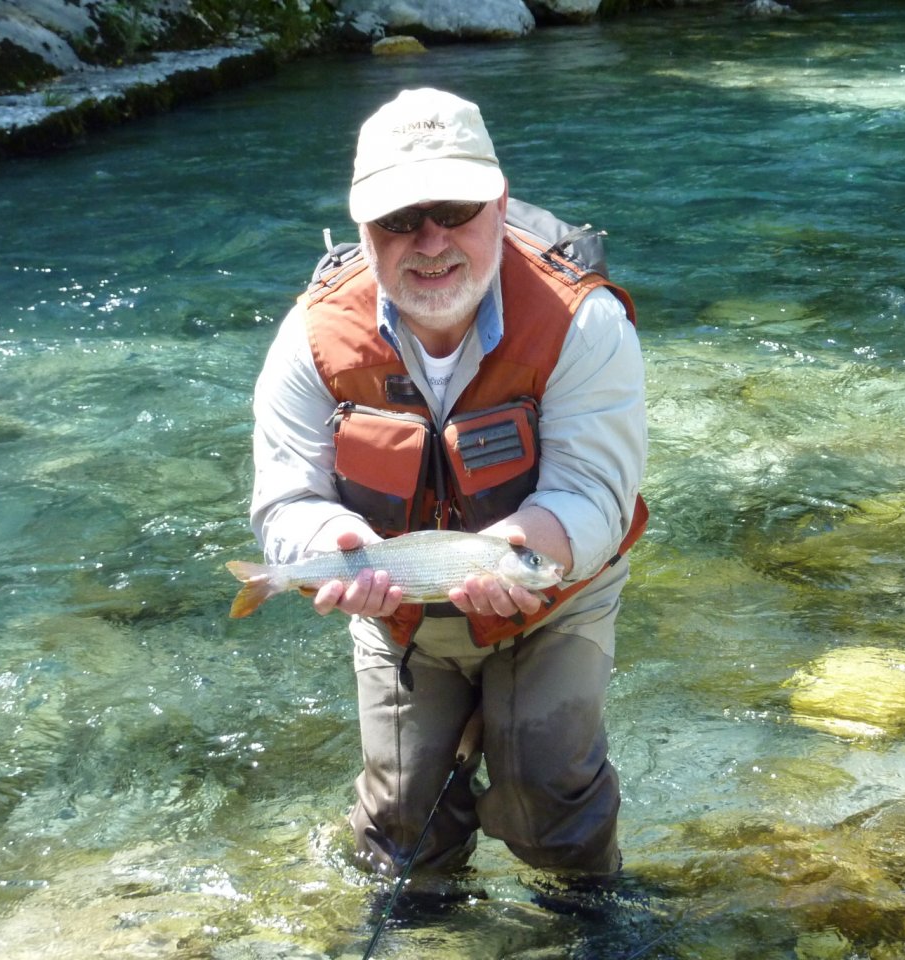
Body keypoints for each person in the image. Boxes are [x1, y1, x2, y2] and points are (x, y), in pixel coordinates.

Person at [249, 87, 648, 878]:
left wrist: (529, 549)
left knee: (552, 796)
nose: (430, 240)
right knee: (404, 822)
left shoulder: (582, 321)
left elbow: (597, 490)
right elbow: (285, 499)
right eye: (399, 220)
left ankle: (584, 924)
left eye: (454, 208)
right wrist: (332, 545)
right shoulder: (313, 338)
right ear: (364, 229)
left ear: (497, 203)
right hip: (399, 610)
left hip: (551, 595)